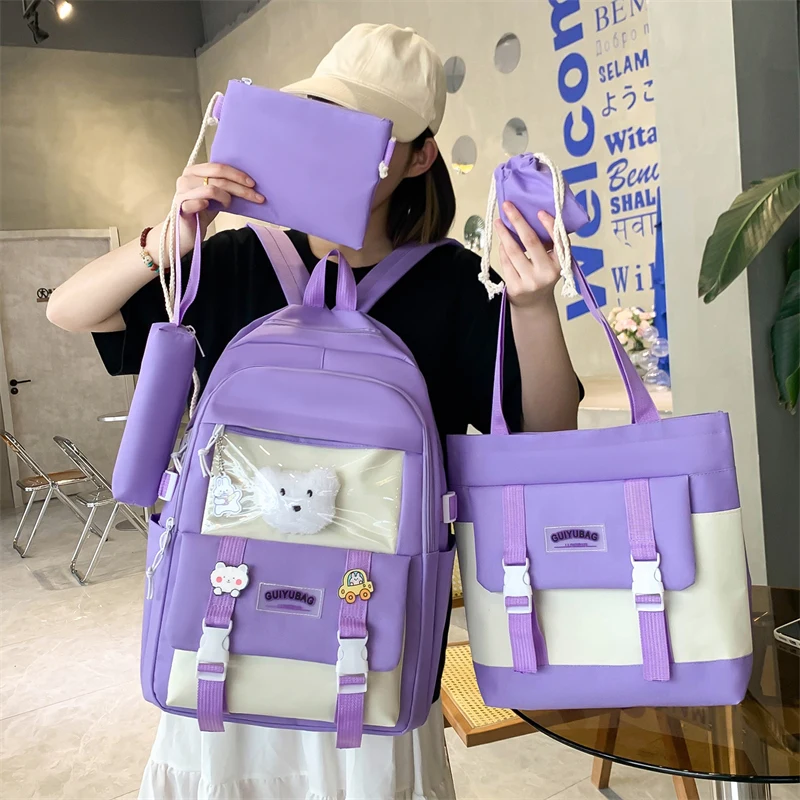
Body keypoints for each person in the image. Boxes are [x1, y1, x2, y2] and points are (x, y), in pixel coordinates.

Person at [48, 22, 581, 800]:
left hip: (375, 634)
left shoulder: (451, 283)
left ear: (418, 157)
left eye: (363, 129)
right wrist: (168, 237)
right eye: (320, 116)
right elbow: (70, 312)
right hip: (225, 621)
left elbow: (548, 433)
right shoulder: (234, 258)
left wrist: (533, 306)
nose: (332, 142)